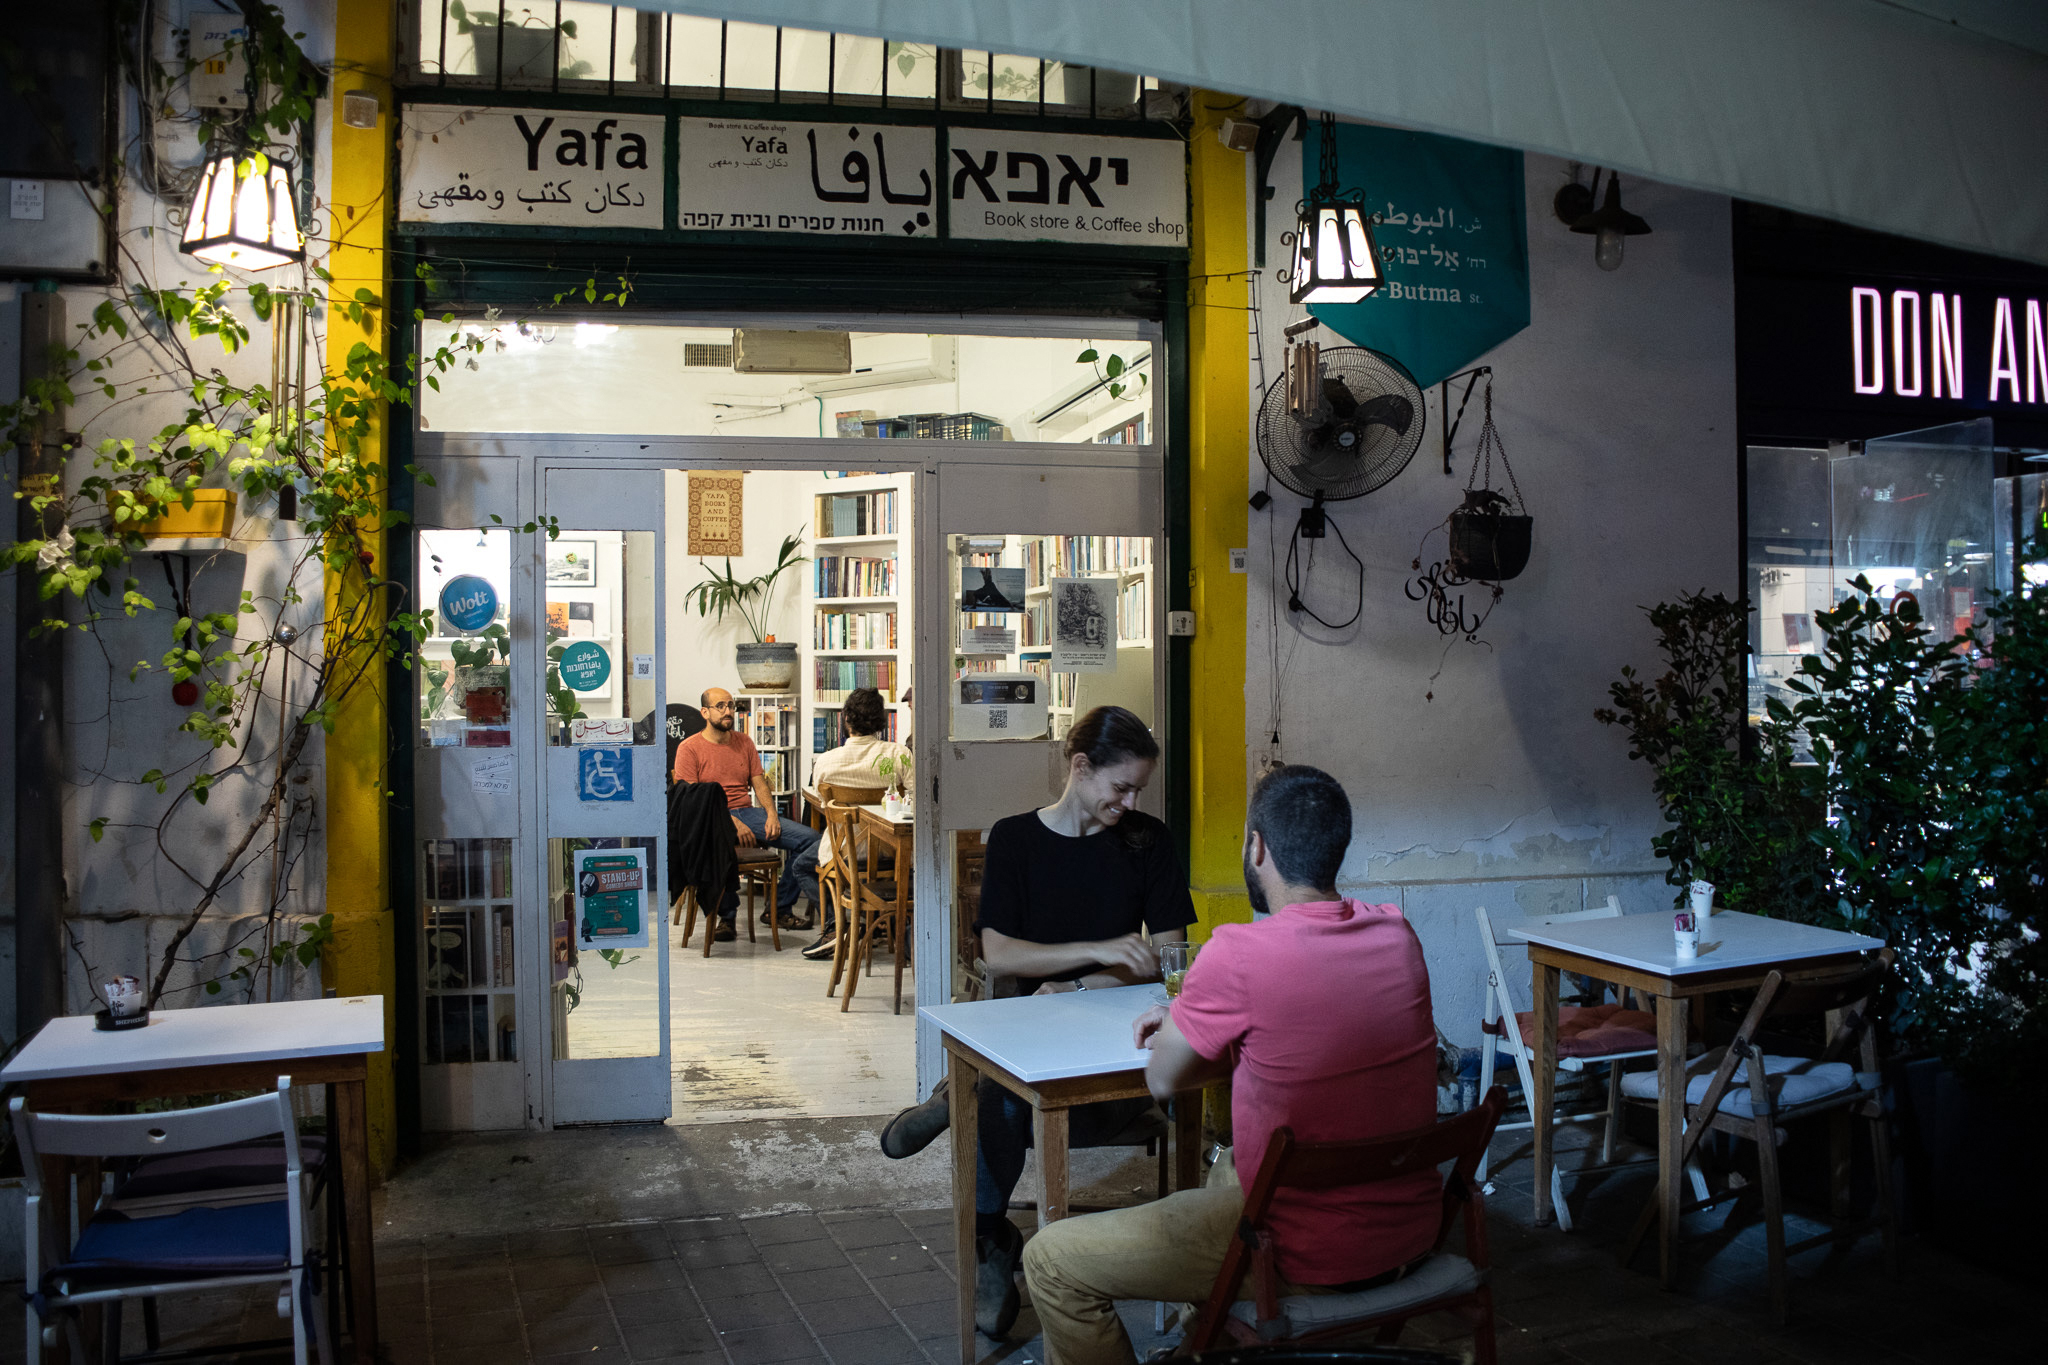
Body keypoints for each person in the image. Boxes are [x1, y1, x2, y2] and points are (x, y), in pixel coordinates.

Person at [1020, 765, 1440, 1365]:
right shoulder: (1396, 934)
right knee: (1232, 1167)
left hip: (1295, 1248)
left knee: (1051, 1260)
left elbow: (1162, 1081)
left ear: (1258, 846)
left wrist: (1190, 1018)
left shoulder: (1238, 953)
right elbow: (1320, 1024)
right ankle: (1202, 1343)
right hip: (1409, 1230)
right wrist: (1210, 1020)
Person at [876, 705, 1193, 1337]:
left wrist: (1076, 983)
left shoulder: (1147, 840)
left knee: (994, 1094)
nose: (1130, 802)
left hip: (1111, 1042)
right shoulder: (1016, 838)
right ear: (1081, 767)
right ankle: (991, 1233)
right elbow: (1000, 954)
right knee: (1005, 1091)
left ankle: (955, 1111)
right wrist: (1100, 950)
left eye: (1139, 790)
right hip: (1028, 1033)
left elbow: (1169, 958)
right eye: (1120, 787)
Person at [672, 686, 820, 941]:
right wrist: (731, 824)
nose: (728, 711)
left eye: (731, 705)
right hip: (711, 820)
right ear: (705, 712)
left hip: (748, 812)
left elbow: (758, 781)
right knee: (719, 847)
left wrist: (771, 813)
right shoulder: (689, 748)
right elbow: (692, 800)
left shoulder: (744, 742)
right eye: (721, 706)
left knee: (813, 840)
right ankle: (726, 917)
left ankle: (779, 907)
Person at [802, 686, 909, 961]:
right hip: (892, 854)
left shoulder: (826, 761)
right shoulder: (900, 755)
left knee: (801, 865)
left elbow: (824, 807)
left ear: (845, 718)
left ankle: (840, 926)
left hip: (845, 855)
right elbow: (915, 800)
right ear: (882, 722)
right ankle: (874, 924)